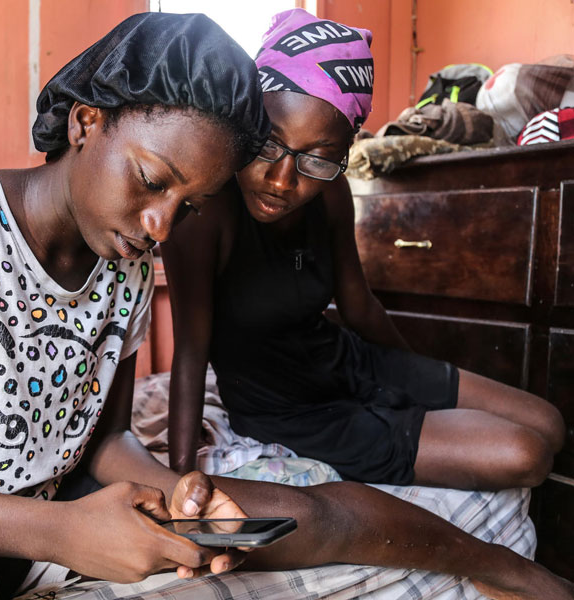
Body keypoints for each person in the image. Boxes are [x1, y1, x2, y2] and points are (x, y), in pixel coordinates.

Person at [0, 11, 573, 600]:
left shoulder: (124, 262)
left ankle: (508, 571)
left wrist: (175, 486)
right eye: (152, 180)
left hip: (69, 510)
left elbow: (104, 440)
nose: (163, 225)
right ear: (87, 123)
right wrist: (58, 532)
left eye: (189, 205)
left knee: (314, 514)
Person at [163, 8, 565, 491]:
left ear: (343, 154)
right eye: (268, 144)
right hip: (295, 414)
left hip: (350, 364)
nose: (282, 180)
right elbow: (190, 351)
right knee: (526, 453)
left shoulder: (332, 192)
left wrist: (417, 379)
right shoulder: (205, 212)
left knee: (549, 423)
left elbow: (359, 306)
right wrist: (179, 477)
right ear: (245, 124)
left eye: (317, 158)